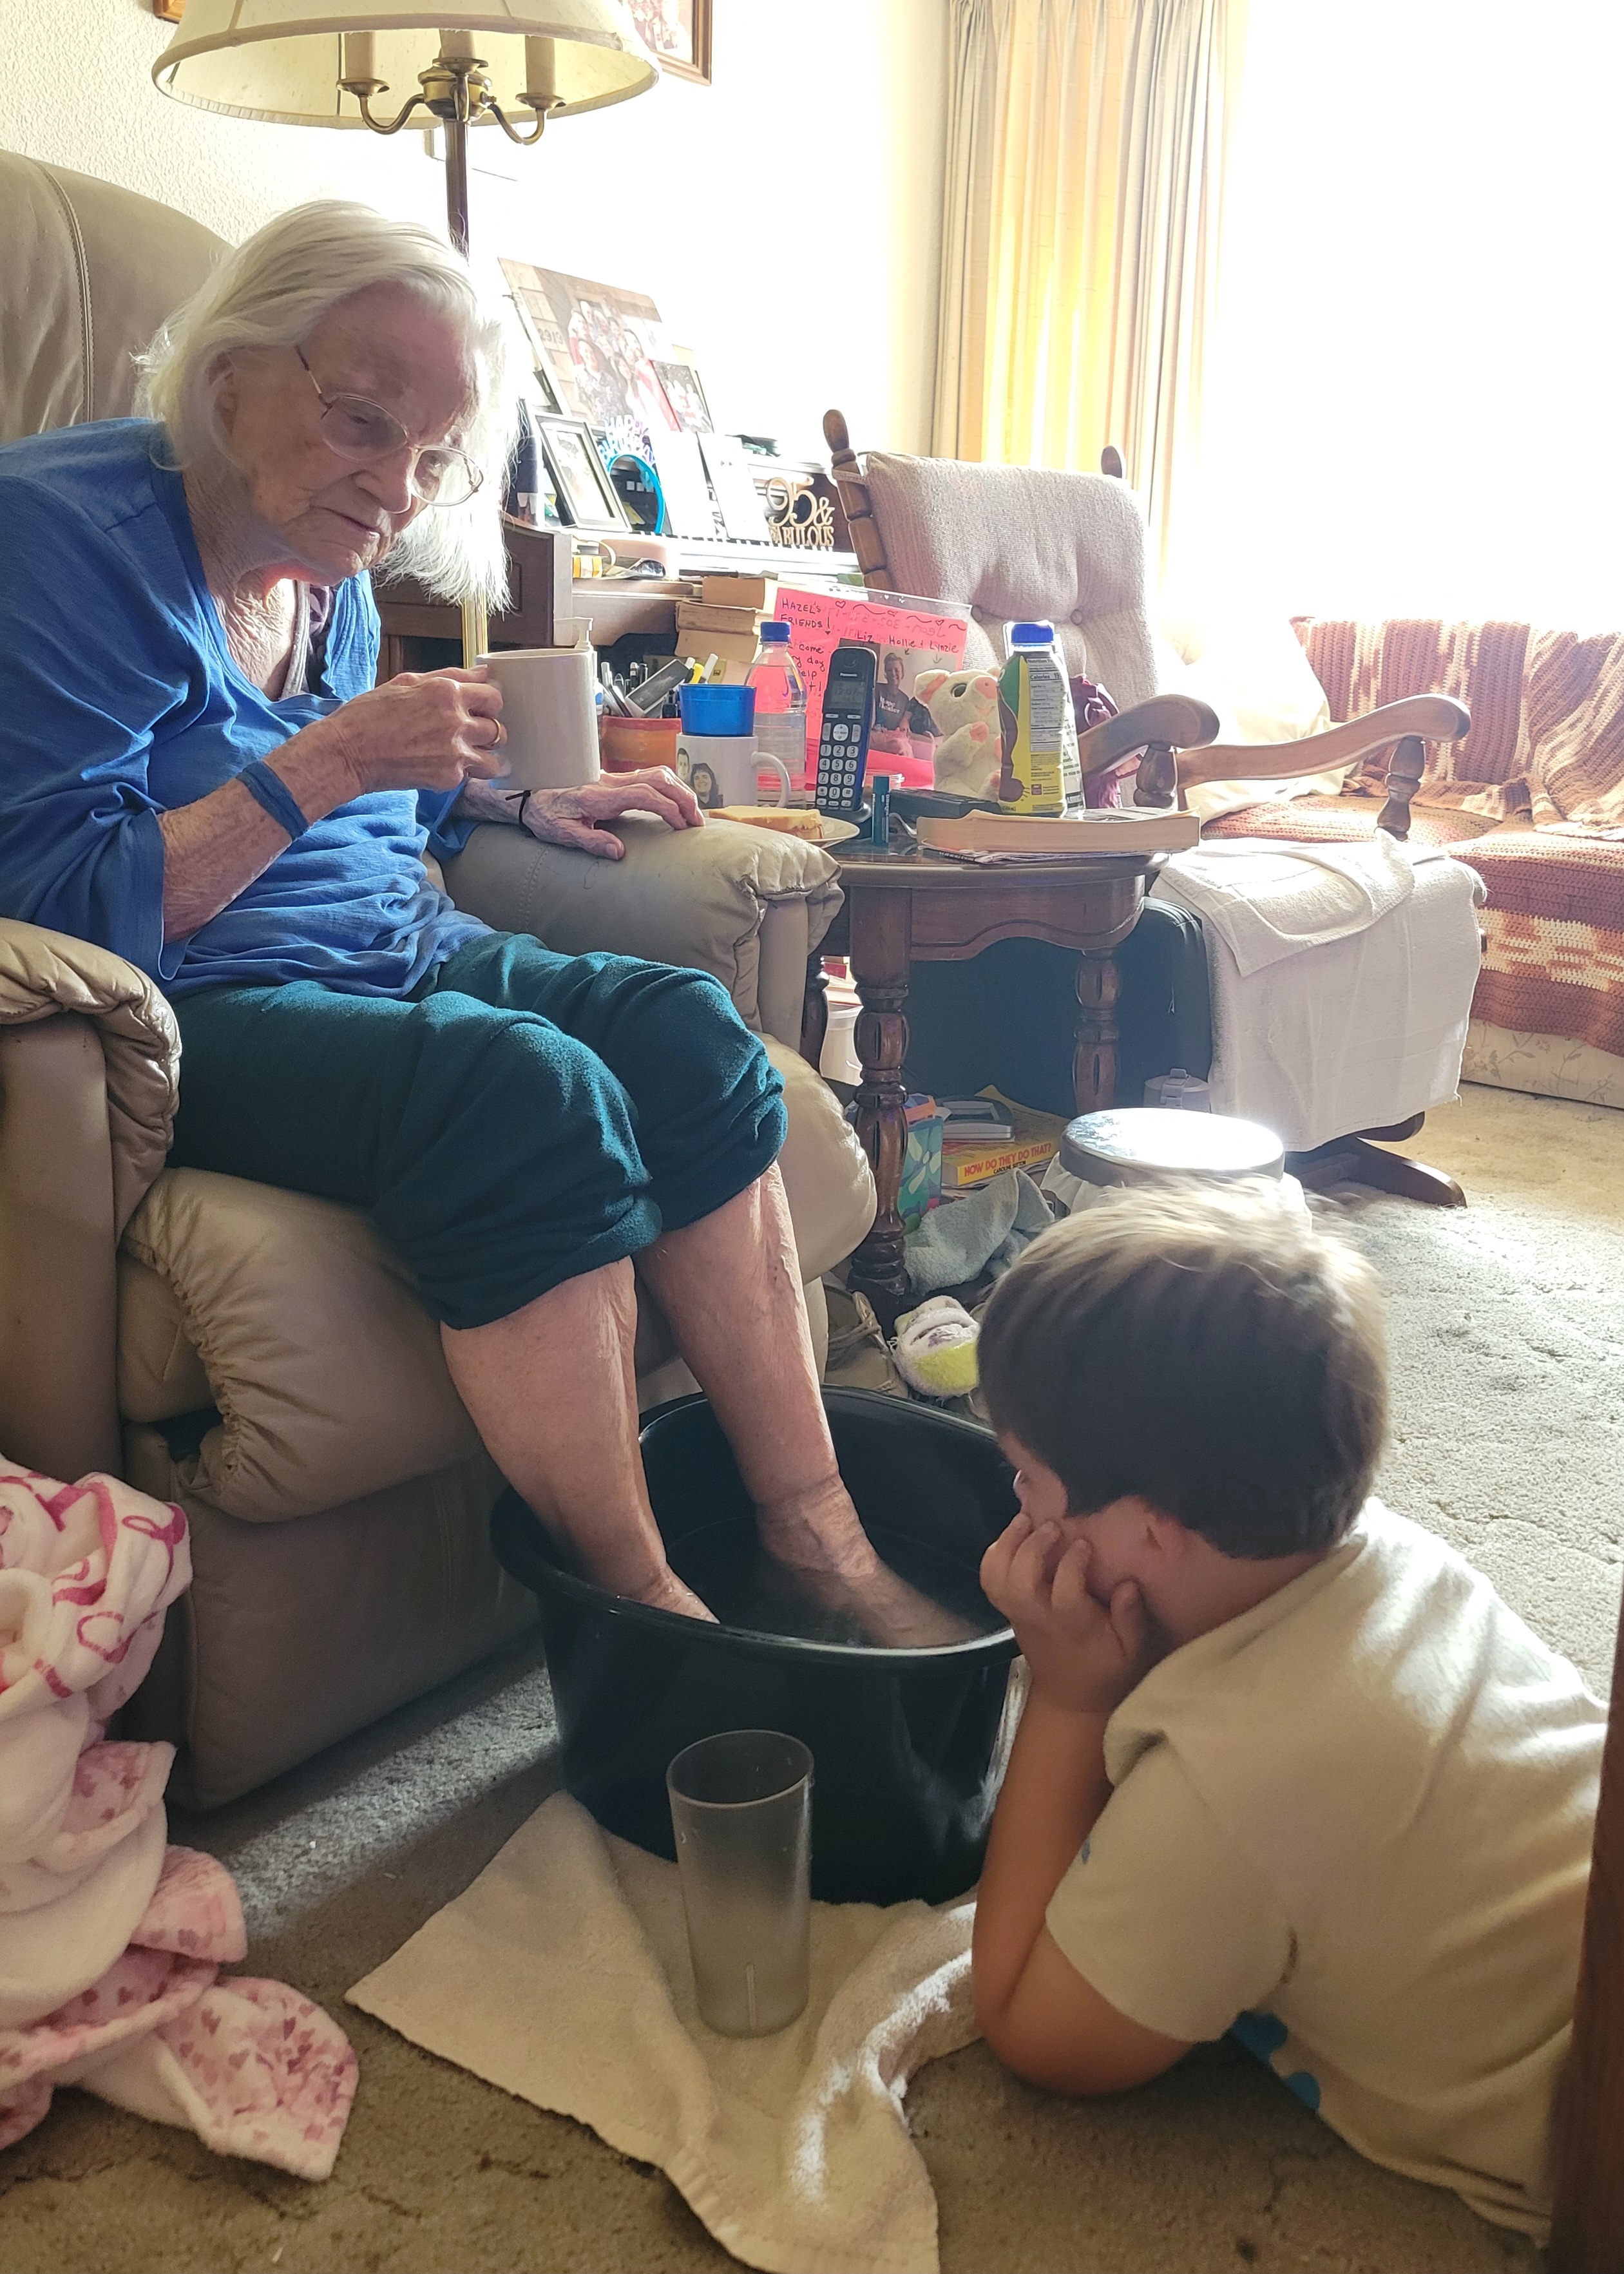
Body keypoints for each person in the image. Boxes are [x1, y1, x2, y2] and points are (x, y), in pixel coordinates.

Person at [0, 198, 883, 1625]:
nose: (395, 491)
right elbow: (64, 911)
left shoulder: (324, 558)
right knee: (522, 1089)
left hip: (396, 955)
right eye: (362, 424)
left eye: (429, 458)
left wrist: (515, 806)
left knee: (680, 1025)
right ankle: (645, 1610)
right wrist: (341, 750)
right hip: (195, 1011)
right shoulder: (54, 539)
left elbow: (380, 817)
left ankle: (815, 1533)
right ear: (231, 378)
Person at [969, 1183, 1603, 2241]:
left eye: (1027, 1478)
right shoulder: (1397, 1556)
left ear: (1153, 1533)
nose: (1017, 1508)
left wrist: (1069, 1699)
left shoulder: (1225, 1791)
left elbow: (1033, 2032)